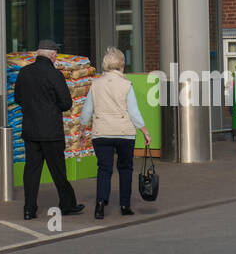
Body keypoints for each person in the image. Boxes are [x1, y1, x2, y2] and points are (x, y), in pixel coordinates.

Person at [13, 40, 85, 220]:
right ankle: (67, 204)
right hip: (51, 131)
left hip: (30, 130)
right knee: (58, 170)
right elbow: (66, 103)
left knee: (31, 170)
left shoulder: (24, 72)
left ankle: (29, 209)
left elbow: (18, 98)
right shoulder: (55, 75)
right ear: (53, 55)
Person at [79, 46, 151, 218]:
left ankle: (100, 204)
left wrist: (82, 129)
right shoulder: (126, 85)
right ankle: (125, 205)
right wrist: (144, 131)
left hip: (101, 132)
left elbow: (87, 110)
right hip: (124, 133)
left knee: (104, 168)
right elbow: (133, 112)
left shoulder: (95, 85)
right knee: (125, 168)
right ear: (121, 65)